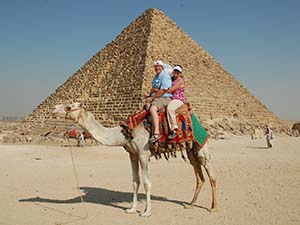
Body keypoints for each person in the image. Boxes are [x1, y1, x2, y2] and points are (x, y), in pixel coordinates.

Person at [145, 60, 172, 142]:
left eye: (159, 66)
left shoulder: (164, 76)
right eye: (156, 67)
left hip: (164, 98)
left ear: (162, 67)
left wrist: (152, 98)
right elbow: (154, 90)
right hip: (157, 98)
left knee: (152, 109)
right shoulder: (156, 77)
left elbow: (163, 90)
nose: (157, 68)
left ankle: (156, 133)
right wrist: (149, 95)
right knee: (145, 107)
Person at [166, 65, 185, 139]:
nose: (176, 73)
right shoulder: (171, 79)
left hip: (178, 99)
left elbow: (171, 89)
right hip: (171, 98)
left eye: (178, 72)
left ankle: (174, 129)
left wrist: (160, 91)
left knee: (170, 108)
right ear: (173, 71)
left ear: (180, 73)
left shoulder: (180, 81)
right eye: (175, 71)